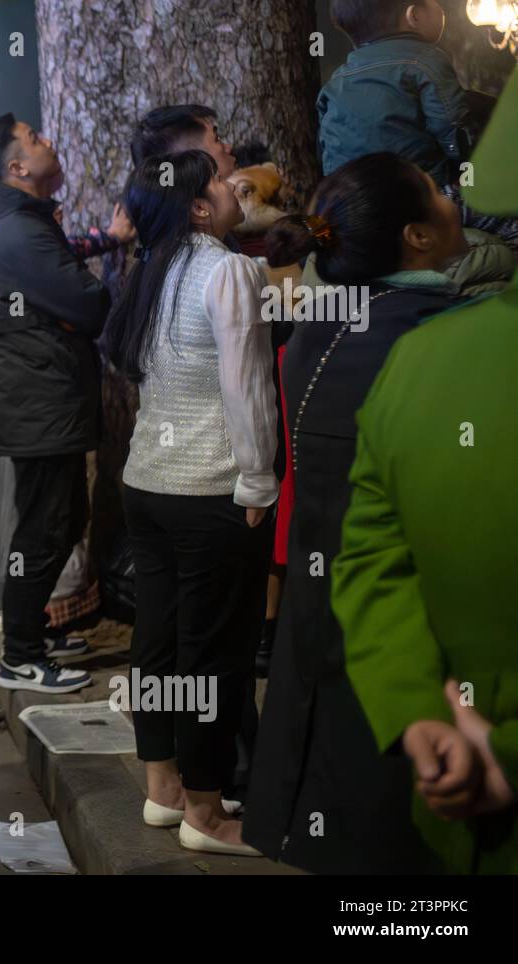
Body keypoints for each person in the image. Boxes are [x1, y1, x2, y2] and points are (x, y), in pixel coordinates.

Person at [241, 152, 469, 874]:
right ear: (418, 237)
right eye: (438, 194)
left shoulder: (319, 329)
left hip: (322, 609)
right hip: (403, 623)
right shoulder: (438, 340)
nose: (453, 201)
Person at [330, 67, 518, 876]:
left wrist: (420, 710)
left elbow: (370, 552)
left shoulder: (416, 357)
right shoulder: (419, 334)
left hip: (448, 804)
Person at [101, 150, 277, 857]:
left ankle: (163, 788)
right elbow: (249, 390)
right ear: (199, 207)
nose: (237, 187)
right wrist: (260, 482)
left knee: (159, 640)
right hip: (211, 491)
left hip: (147, 484)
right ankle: (208, 812)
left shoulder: (153, 269)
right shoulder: (227, 270)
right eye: (221, 183)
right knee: (214, 656)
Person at [0, 111, 109, 693]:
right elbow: (90, 304)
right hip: (39, 405)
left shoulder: (21, 223)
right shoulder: (19, 235)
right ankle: (20, 654)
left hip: (44, 402)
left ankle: (33, 635)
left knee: (63, 519)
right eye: (34, 138)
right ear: (17, 167)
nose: (48, 140)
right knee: (44, 530)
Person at [319, 0, 472, 187]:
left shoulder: (336, 80)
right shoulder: (426, 60)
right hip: (419, 196)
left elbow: (328, 148)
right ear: (413, 16)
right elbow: (454, 127)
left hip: (353, 201)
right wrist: (466, 175)